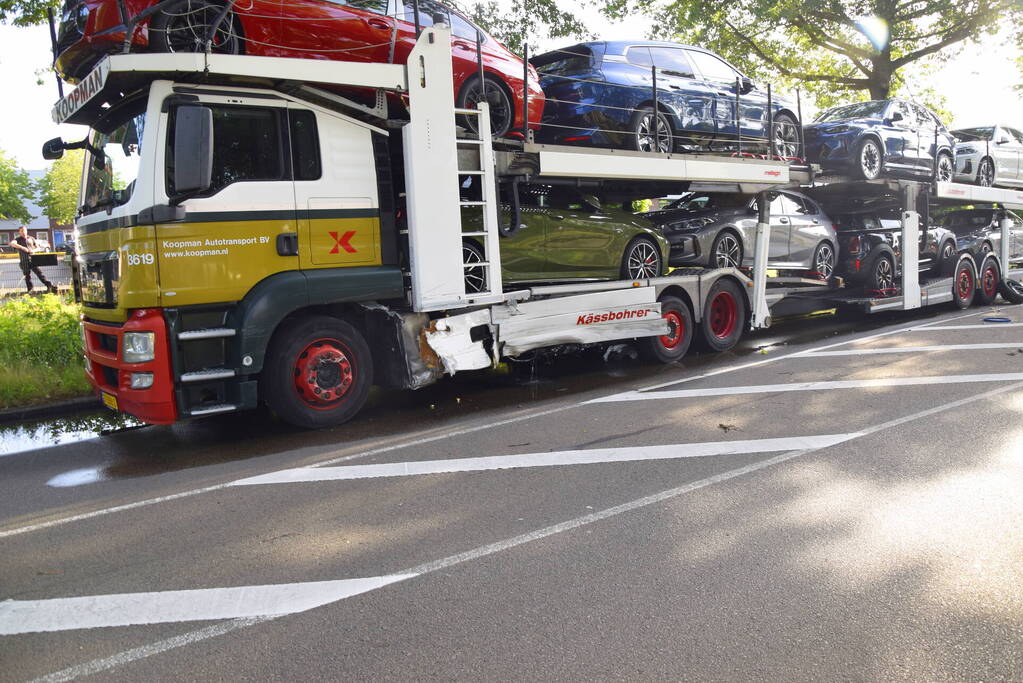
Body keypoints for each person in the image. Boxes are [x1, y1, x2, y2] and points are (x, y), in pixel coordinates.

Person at [9, 226, 56, 294]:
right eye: (21, 231)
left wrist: (33, 250)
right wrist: (23, 248)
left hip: (33, 259)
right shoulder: (17, 239)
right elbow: (12, 243)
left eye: (24, 230)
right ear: (19, 232)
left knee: (39, 273)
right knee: (27, 276)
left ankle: (49, 286)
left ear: (26, 231)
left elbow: (38, 248)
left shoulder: (31, 238)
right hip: (24, 260)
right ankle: (30, 290)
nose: (23, 232)